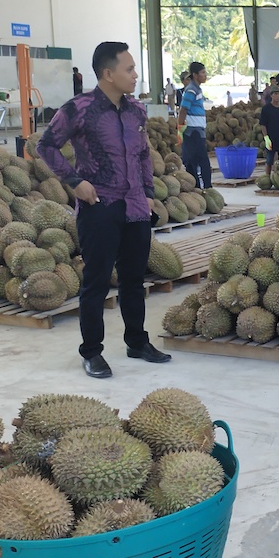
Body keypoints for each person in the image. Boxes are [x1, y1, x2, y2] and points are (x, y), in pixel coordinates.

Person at [37, 41, 171, 378]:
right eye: (129, 69)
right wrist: (74, 181)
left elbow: (142, 154)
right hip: (100, 207)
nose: (135, 75)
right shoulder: (78, 109)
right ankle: (91, 352)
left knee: (133, 280)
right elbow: (46, 145)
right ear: (108, 74)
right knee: (96, 282)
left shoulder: (136, 111)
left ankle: (137, 342)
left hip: (136, 208)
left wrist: (150, 192)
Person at [177, 61, 212, 190]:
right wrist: (180, 129)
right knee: (197, 160)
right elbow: (183, 109)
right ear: (195, 75)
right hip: (192, 131)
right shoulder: (191, 89)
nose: (205, 75)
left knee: (194, 160)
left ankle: (200, 188)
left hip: (197, 130)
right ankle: (204, 188)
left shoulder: (197, 89)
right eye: (202, 73)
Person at [259, 88, 279, 176]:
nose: (278, 96)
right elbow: (263, 124)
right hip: (271, 138)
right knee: (269, 160)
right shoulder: (266, 109)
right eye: (275, 94)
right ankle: (267, 177)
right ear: (271, 95)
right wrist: (266, 137)